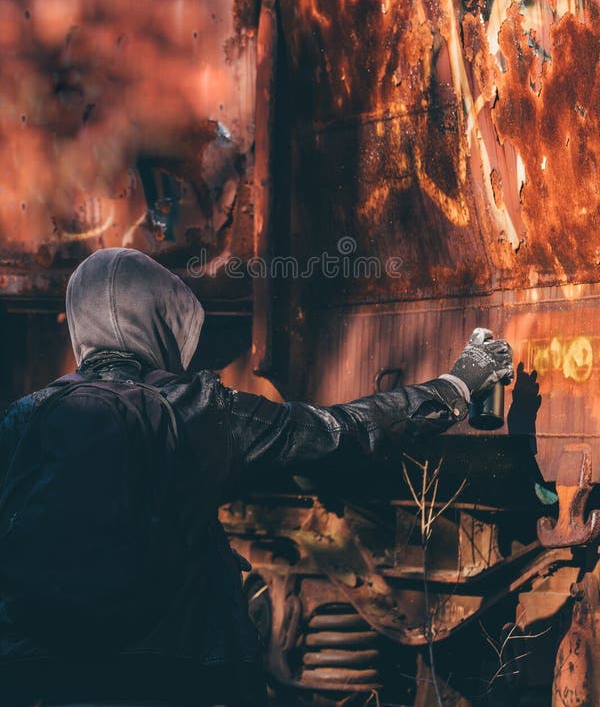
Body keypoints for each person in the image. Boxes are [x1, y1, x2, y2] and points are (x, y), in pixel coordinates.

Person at [0, 248, 513, 707]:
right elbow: (335, 434)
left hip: (35, 669)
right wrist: (452, 388)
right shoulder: (193, 409)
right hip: (171, 670)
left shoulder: (23, 416)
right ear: (163, 317)